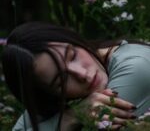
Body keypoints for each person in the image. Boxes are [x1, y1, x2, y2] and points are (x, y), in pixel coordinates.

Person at [2, 21, 150, 131]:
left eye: (72, 56)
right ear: (51, 95)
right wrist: (73, 116)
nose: (82, 74)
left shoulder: (136, 67)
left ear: (74, 40)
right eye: (61, 80)